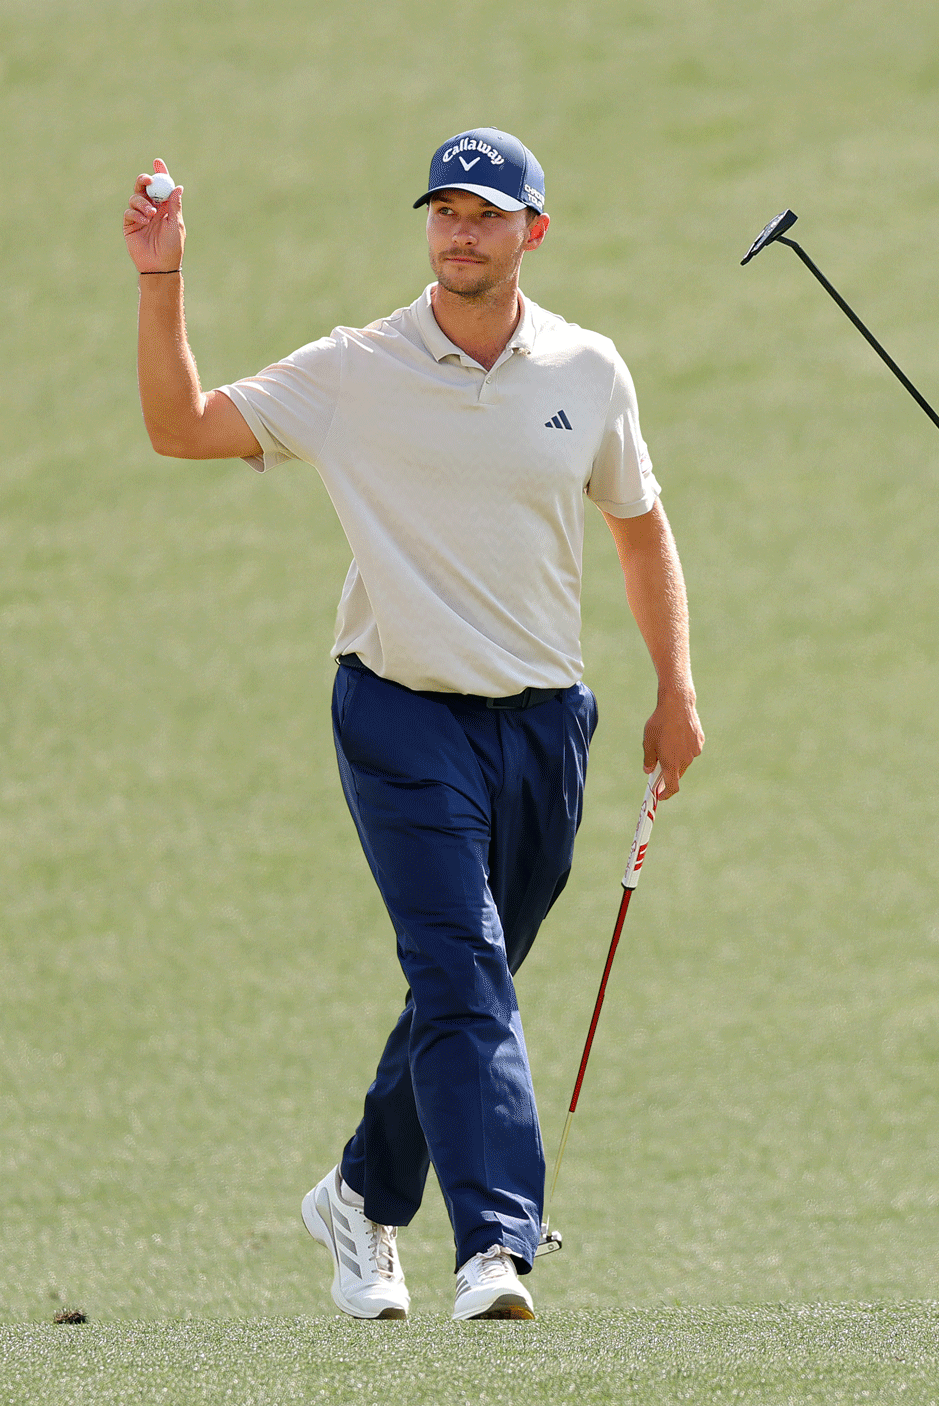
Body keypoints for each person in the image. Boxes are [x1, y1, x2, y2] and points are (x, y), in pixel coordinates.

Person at [122, 129, 703, 1321]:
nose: (459, 230)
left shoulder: (588, 371)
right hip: (399, 714)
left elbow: (639, 528)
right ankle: (494, 1242)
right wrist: (161, 278)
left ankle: (358, 1189)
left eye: (486, 214)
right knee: (465, 968)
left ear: (532, 232)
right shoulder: (356, 369)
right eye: (443, 210)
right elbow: (180, 425)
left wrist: (676, 690)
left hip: (547, 726)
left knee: (467, 980)